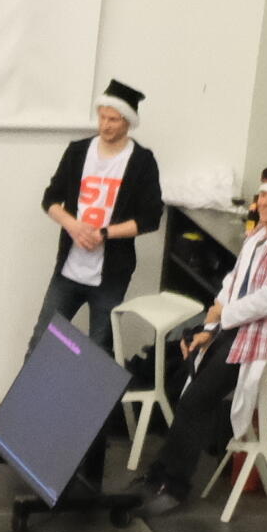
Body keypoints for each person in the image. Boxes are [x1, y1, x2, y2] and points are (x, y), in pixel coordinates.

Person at [145, 169, 267, 509]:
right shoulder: (258, 236)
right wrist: (213, 316)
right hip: (237, 325)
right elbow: (235, 280)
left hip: (263, 336)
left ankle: (175, 486)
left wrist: (224, 315)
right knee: (184, 379)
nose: (263, 202)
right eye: (262, 195)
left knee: (198, 399)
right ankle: (162, 470)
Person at [29, 78, 160, 370]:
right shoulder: (78, 152)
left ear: (128, 122)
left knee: (99, 349)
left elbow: (151, 218)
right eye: (102, 117)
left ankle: (92, 416)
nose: (106, 124)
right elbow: (50, 198)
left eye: (114, 119)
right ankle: (20, 414)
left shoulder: (141, 161)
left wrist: (105, 233)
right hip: (68, 269)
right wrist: (73, 226)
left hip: (111, 276)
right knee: (42, 339)